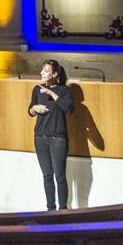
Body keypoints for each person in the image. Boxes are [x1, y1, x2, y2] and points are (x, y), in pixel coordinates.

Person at [28, 59, 73, 211]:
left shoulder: (64, 91)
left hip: (58, 139)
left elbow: (68, 108)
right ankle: (50, 209)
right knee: (47, 176)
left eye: (46, 71)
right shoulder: (36, 89)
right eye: (42, 70)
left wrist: (51, 93)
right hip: (40, 138)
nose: (42, 73)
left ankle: (63, 210)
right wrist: (35, 108)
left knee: (60, 176)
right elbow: (30, 111)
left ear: (54, 74)